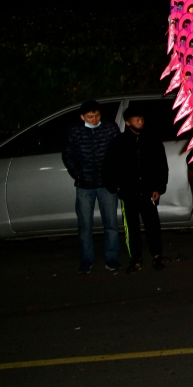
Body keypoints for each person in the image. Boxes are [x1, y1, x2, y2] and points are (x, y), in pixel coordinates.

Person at [102, 107, 169, 274]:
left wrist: (158, 187)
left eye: (142, 119)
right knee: (132, 228)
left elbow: (161, 165)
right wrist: (117, 186)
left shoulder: (152, 140)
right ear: (127, 122)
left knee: (153, 225)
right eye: (136, 119)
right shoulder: (119, 142)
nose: (140, 122)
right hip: (129, 193)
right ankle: (136, 259)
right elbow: (109, 166)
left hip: (148, 192)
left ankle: (157, 256)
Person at [62, 100, 121, 274]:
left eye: (97, 115)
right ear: (82, 117)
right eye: (90, 117)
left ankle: (112, 258)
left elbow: (118, 151)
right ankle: (86, 260)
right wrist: (78, 174)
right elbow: (67, 154)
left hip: (106, 184)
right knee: (85, 225)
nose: (94, 119)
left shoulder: (110, 128)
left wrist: (114, 175)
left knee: (111, 223)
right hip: (85, 185)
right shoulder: (75, 131)